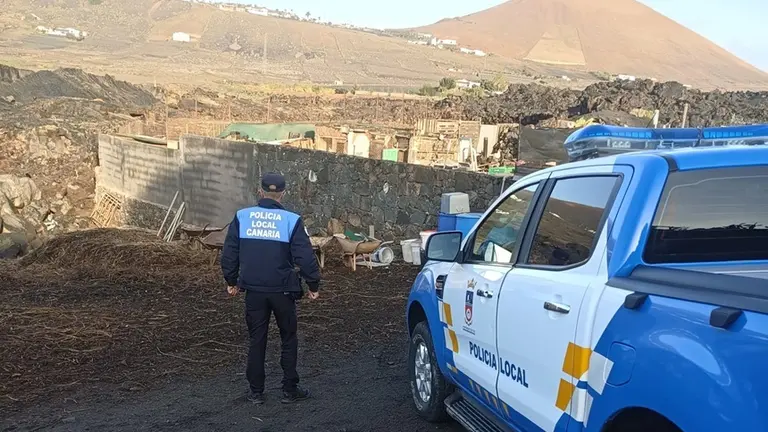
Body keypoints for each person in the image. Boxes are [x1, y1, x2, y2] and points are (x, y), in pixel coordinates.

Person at [221, 172, 321, 405]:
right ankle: (289, 389)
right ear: (283, 194)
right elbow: (305, 256)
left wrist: (231, 281)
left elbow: (229, 252)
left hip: (254, 291)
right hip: (283, 290)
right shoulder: (291, 220)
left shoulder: (242, 216)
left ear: (260, 191)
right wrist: (313, 284)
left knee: (257, 339)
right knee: (288, 337)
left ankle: (256, 392)